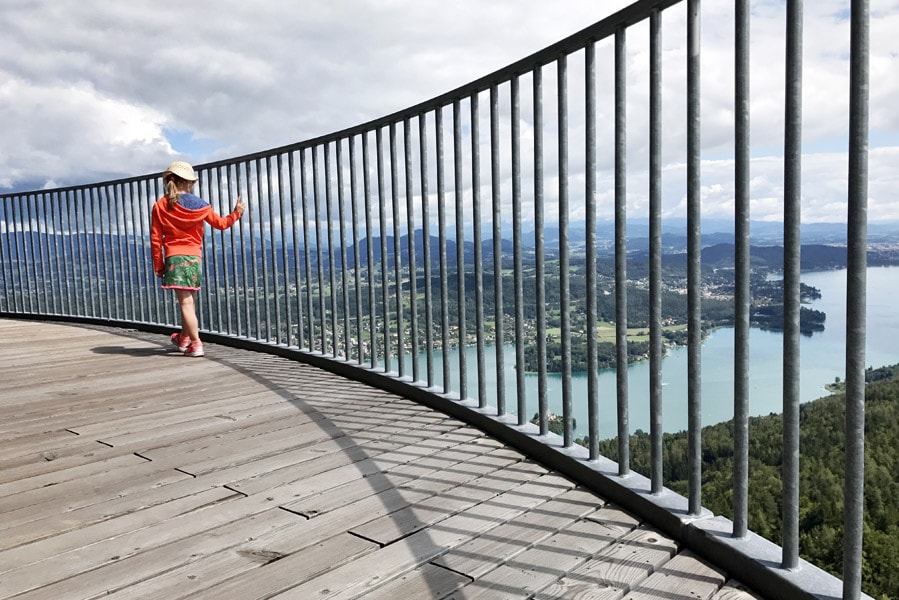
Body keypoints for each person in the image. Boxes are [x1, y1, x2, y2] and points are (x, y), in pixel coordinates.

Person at [150, 161, 245, 357]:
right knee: (189, 303)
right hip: (194, 257)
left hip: (174, 257)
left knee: (185, 304)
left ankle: (196, 343)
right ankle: (183, 338)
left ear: (170, 180)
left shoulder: (160, 205)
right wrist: (237, 213)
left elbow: (155, 238)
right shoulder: (201, 205)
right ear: (190, 183)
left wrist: (158, 265)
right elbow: (220, 224)